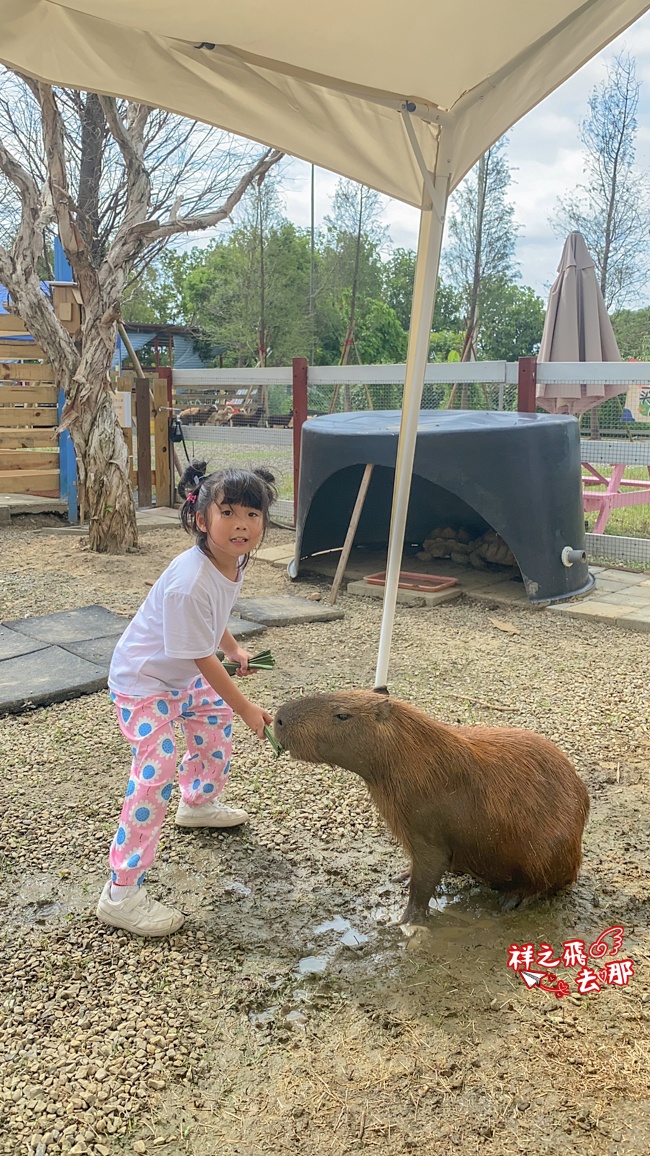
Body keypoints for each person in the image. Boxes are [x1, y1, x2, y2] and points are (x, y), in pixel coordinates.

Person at [96, 466, 276, 937]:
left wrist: (234, 648)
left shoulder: (230, 562)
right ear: (201, 519)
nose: (241, 524)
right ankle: (121, 892)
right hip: (143, 680)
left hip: (178, 673)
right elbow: (201, 656)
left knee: (211, 718)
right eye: (228, 511)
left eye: (252, 513)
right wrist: (247, 707)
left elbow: (213, 621)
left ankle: (197, 803)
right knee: (157, 766)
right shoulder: (189, 581)